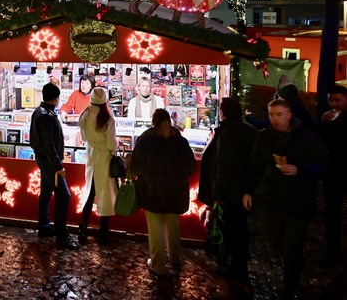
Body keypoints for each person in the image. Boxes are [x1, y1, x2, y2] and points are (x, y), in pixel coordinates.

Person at [242, 98, 328, 300]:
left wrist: (300, 169)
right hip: (274, 199)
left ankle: (289, 289)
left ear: (289, 115)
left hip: (299, 201)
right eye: (271, 115)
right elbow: (255, 165)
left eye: (279, 114)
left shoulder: (306, 137)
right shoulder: (265, 137)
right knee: (276, 242)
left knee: (292, 249)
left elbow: (323, 164)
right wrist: (248, 190)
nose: (275, 119)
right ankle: (293, 263)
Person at [129, 108, 197, 277]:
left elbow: (135, 166)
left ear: (154, 123)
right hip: (175, 194)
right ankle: (176, 259)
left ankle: (158, 264)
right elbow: (191, 167)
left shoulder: (145, 141)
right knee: (173, 225)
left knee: (156, 229)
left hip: (151, 191)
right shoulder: (181, 142)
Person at [197, 97, 257, 285]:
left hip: (229, 191)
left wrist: (217, 193)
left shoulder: (227, 133)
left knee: (230, 228)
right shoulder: (250, 131)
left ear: (223, 113)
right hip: (242, 189)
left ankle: (233, 265)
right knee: (240, 228)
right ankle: (239, 264)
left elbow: (223, 166)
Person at [29, 82, 79, 250]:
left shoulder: (39, 111)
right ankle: (61, 234)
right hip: (49, 162)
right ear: (56, 99)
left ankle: (44, 226)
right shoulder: (47, 116)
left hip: (44, 160)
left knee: (45, 192)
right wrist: (58, 166)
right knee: (64, 195)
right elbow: (49, 145)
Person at [77, 86, 118, 245]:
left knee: (89, 192)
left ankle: (82, 228)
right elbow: (111, 144)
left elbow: (84, 139)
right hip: (104, 160)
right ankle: (103, 233)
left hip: (91, 157)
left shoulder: (84, 115)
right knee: (105, 195)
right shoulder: (108, 119)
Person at [313, 84, 347, 266]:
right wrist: (322, 123)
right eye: (331, 100)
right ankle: (333, 251)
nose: (334, 104)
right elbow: (318, 139)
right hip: (332, 172)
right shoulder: (325, 117)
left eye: (338, 100)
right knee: (332, 212)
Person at [246, 74, 314, 130]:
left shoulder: (283, 110)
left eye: (279, 96)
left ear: (284, 98)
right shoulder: (303, 111)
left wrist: (249, 117)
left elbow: (264, 123)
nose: (277, 98)